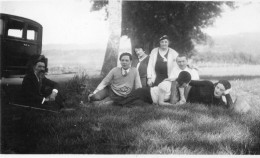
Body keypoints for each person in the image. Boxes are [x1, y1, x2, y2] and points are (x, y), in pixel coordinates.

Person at [116, 71, 192, 107]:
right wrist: (175, 106)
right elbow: (161, 103)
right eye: (187, 82)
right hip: (145, 94)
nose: (187, 85)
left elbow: (182, 100)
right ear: (182, 81)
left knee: (141, 106)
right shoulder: (166, 85)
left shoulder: (178, 86)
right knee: (123, 102)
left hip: (149, 99)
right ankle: (109, 102)